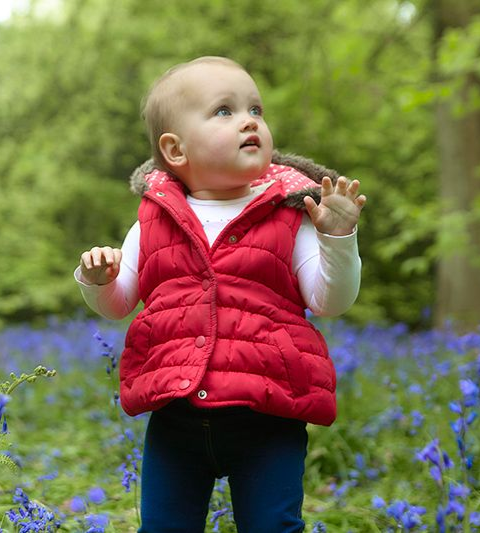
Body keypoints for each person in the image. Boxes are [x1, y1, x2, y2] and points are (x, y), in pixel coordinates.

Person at [75, 56, 366, 533]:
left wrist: (338, 239)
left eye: (256, 108)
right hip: (176, 416)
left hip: (269, 414)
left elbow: (330, 301)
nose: (250, 119)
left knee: (273, 525)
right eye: (224, 111)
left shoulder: (293, 215)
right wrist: (98, 281)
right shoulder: (153, 219)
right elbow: (119, 303)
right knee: (164, 526)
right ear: (175, 149)